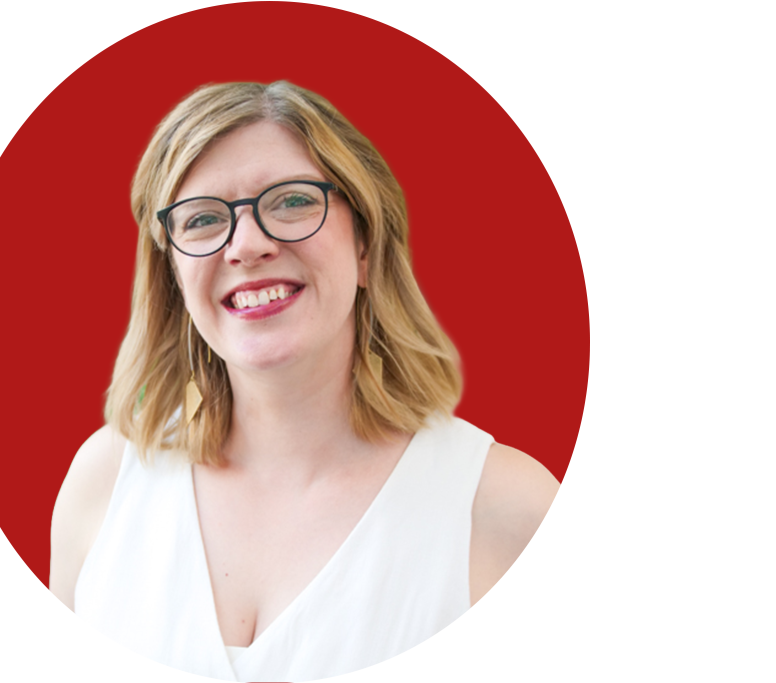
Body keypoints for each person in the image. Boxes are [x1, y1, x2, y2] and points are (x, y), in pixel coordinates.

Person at [50, 81, 560, 680]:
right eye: (203, 219)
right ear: (173, 276)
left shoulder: (505, 508)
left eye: (291, 201)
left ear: (365, 245)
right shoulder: (105, 480)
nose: (246, 246)